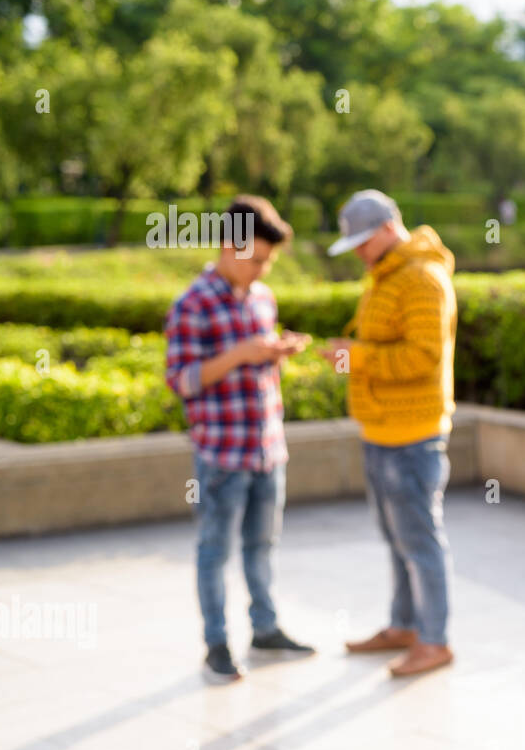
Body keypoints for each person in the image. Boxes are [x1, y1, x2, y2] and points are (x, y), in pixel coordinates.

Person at [164, 195, 315, 684]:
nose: (262, 269)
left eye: (269, 262)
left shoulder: (263, 298)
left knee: (263, 546)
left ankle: (265, 628)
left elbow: (254, 362)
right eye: (258, 259)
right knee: (214, 551)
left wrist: (274, 352)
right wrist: (242, 353)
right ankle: (216, 643)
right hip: (222, 453)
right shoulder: (193, 303)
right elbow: (181, 380)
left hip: (268, 447)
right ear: (231, 247)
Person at [320, 190, 458, 677]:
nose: (358, 251)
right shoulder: (387, 274)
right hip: (382, 428)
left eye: (362, 241)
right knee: (398, 537)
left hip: (412, 434)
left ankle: (434, 640)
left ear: (387, 229)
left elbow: (423, 357)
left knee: (419, 540)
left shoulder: (422, 277)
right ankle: (404, 626)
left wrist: (355, 358)